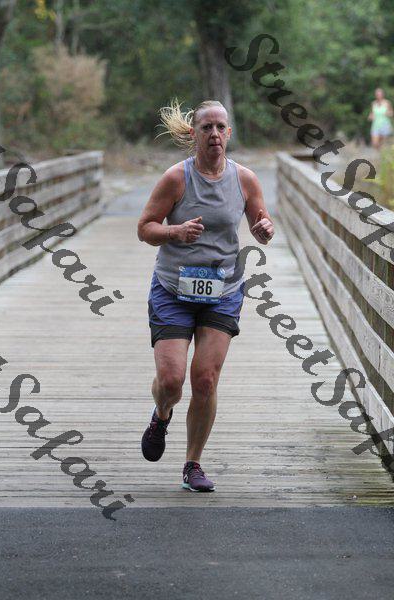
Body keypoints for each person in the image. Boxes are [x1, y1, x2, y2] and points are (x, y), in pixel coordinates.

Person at [137, 98, 274, 492]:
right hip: (173, 289)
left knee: (206, 380)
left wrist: (264, 229)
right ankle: (161, 414)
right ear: (194, 134)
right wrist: (174, 232)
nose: (214, 133)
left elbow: (262, 221)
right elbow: (145, 228)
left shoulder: (245, 179)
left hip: (223, 289)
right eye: (206, 127)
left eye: (220, 127)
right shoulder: (176, 178)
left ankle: (192, 464)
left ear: (228, 133)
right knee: (171, 380)